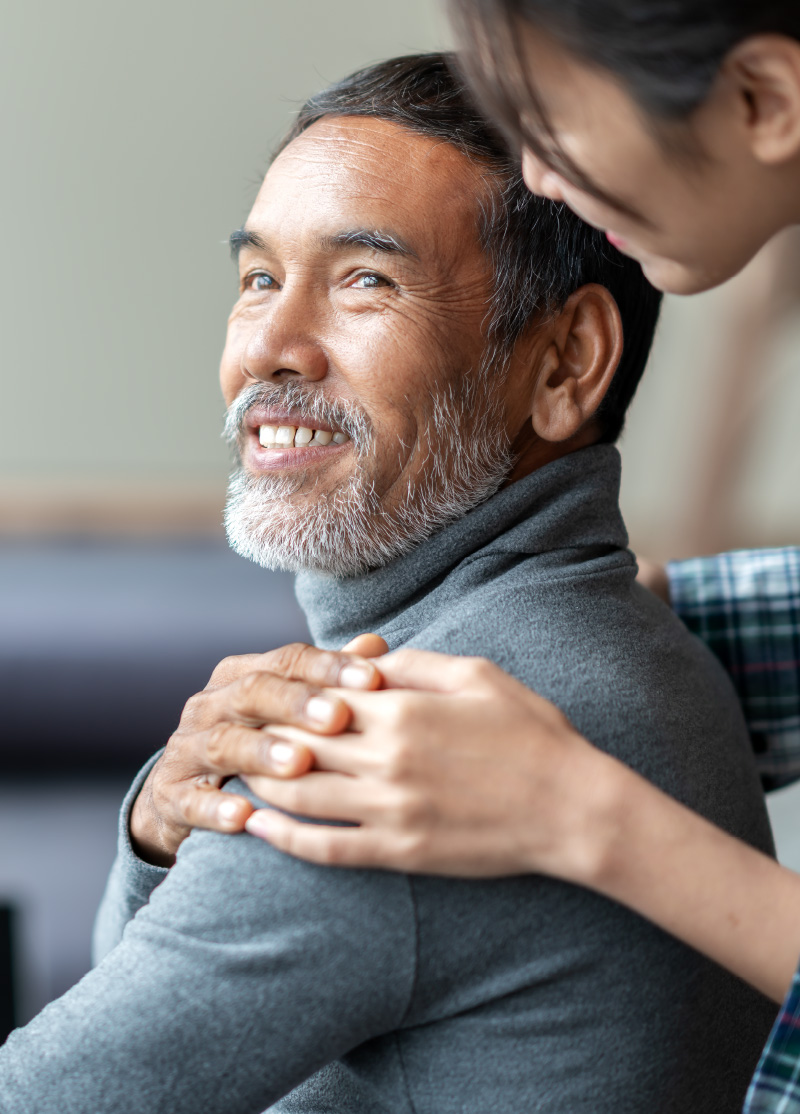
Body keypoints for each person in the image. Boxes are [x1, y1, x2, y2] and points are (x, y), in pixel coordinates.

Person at [0, 54, 777, 1113]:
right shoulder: (630, 645)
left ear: (562, 365)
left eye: (366, 279)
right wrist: (163, 829)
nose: (270, 346)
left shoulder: (408, 756)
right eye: (259, 279)